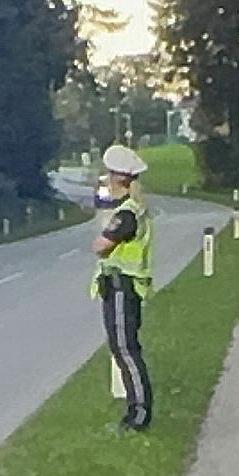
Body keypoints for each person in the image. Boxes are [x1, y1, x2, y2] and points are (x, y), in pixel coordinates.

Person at [91, 142, 157, 431]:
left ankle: (139, 412)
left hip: (122, 288)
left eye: (110, 175)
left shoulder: (127, 215)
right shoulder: (131, 210)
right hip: (123, 289)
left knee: (125, 350)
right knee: (124, 349)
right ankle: (134, 411)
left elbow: (101, 246)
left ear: (120, 179)